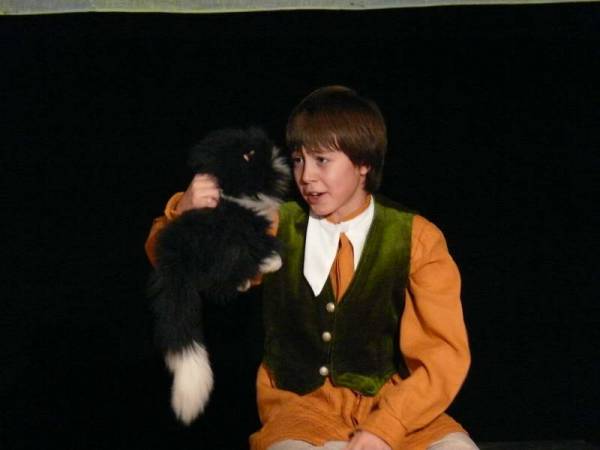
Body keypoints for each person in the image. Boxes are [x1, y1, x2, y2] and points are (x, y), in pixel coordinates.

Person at [145, 86, 478, 450]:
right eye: (298, 160)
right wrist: (184, 214)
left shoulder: (416, 238)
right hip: (304, 416)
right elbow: (189, 267)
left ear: (363, 163)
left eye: (321, 160)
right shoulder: (277, 226)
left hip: (398, 410)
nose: (305, 176)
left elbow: (443, 355)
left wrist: (388, 426)